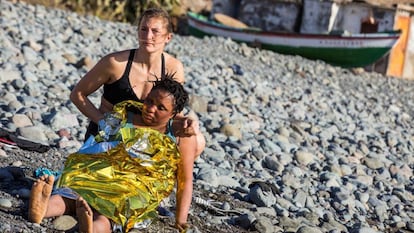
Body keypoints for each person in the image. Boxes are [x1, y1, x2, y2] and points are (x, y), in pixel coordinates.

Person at [28, 75, 198, 233]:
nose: (151, 109)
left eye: (161, 108)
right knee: (71, 194)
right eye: (150, 101)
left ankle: (90, 227)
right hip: (101, 174)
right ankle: (41, 209)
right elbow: (99, 145)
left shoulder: (180, 135)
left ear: (174, 114)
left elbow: (185, 178)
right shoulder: (125, 116)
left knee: (110, 213)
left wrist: (181, 219)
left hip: (136, 187)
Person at [69, 7, 205, 155]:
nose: (148, 35)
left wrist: (188, 122)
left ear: (168, 37)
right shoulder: (115, 63)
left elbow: (173, 112)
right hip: (109, 137)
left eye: (155, 31)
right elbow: (78, 94)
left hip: (148, 137)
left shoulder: (173, 68)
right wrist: (101, 121)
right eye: (144, 29)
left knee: (197, 140)